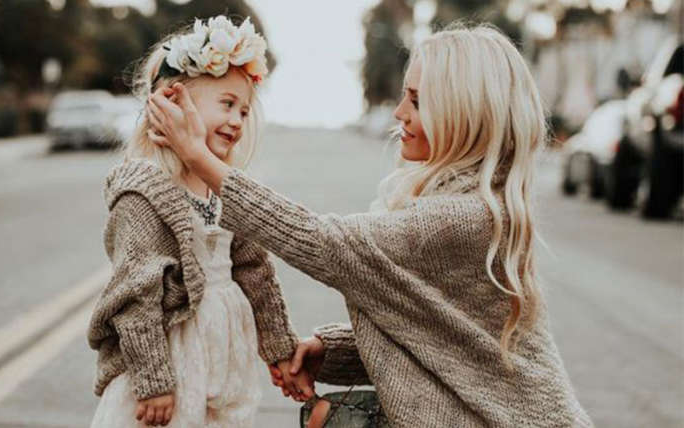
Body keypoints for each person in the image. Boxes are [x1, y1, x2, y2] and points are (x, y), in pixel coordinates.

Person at [147, 22, 593, 427]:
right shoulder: (475, 201)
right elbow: (443, 340)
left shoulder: (457, 218)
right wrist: (329, 352)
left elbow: (319, 241)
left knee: (330, 420)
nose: (399, 112)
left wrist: (198, 157)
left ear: (463, 113)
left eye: (416, 100)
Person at [86, 15, 312, 428]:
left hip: (222, 359)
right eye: (227, 104)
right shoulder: (145, 190)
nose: (237, 120)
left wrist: (281, 350)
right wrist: (153, 381)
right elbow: (136, 294)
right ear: (174, 101)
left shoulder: (224, 187)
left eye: (244, 111)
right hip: (172, 361)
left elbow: (255, 270)